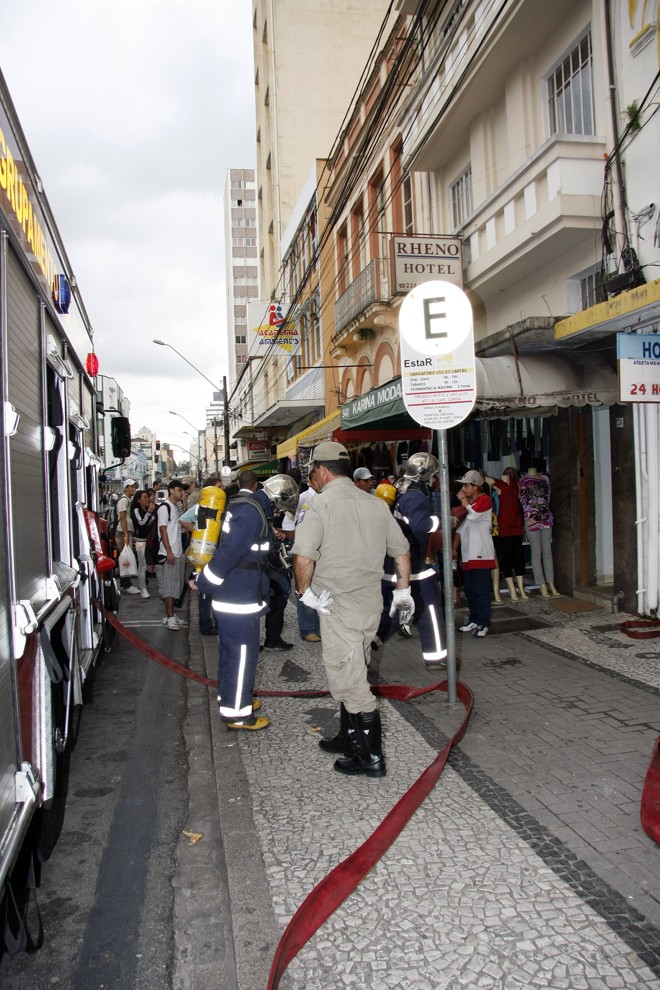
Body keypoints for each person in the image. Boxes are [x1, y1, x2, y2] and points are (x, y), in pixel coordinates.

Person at [292, 441, 412, 778]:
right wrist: (403, 593)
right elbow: (401, 550)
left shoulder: (320, 506)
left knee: (351, 684)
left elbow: (303, 555)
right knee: (355, 669)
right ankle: (348, 739)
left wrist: (304, 594)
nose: (312, 477)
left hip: (338, 607)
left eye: (313, 470)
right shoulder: (376, 505)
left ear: (324, 470)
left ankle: (371, 757)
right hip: (370, 606)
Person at [193, 474, 299, 731]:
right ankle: (238, 715)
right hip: (237, 598)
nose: (277, 511)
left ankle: (233, 699)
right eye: (278, 507)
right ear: (275, 498)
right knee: (241, 657)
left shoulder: (246, 507)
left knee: (232, 655)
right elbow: (229, 554)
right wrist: (204, 582)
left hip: (239, 596)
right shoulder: (251, 513)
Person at [392, 453, 448, 668]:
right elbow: (419, 526)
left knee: (394, 613)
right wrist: (441, 521)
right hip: (414, 564)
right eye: (433, 476)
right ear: (424, 476)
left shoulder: (405, 491)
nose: (435, 480)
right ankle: (436, 658)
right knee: (431, 610)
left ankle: (365, 651)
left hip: (404, 562)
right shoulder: (416, 496)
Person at [455, 470, 496, 637]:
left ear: (476, 486)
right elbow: (461, 528)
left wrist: (464, 500)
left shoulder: (485, 500)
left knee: (481, 591)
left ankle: (484, 622)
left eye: (466, 485)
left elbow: (474, 516)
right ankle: (474, 619)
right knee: (470, 590)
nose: (463, 488)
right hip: (468, 554)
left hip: (481, 554)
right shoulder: (470, 502)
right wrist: (454, 548)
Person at [519, 466, 560, 597]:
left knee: (547, 552)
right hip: (531, 518)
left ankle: (551, 583)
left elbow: (549, 497)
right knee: (536, 552)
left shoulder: (545, 479)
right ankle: (541, 584)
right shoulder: (523, 480)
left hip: (546, 517)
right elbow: (522, 500)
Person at [492, 467, 528, 601]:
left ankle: (521, 589)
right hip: (504, 528)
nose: (509, 475)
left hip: (516, 526)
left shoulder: (516, 486)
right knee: (506, 559)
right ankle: (512, 589)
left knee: (518, 558)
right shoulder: (497, 486)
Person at [155, 479, 187, 630]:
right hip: (170, 553)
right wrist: (168, 552)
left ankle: (172, 615)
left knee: (176, 586)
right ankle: (169, 617)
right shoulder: (164, 507)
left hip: (177, 551)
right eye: (180, 490)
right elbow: (162, 529)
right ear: (172, 490)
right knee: (169, 587)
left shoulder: (176, 507)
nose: (183, 493)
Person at [129, 489, 157, 598]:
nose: (147, 499)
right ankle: (143, 588)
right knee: (143, 565)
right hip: (142, 541)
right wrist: (149, 513)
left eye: (147, 497)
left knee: (156, 565)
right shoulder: (136, 510)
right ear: (138, 500)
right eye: (144, 497)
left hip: (151, 541)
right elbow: (142, 524)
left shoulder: (149, 509)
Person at [115, 479, 139, 595]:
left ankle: (126, 584)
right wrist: (125, 534)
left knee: (126, 559)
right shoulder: (123, 501)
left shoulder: (128, 500)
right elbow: (123, 518)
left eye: (134, 487)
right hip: (122, 532)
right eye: (131, 487)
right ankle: (126, 585)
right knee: (125, 560)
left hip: (126, 532)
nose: (134, 489)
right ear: (126, 488)